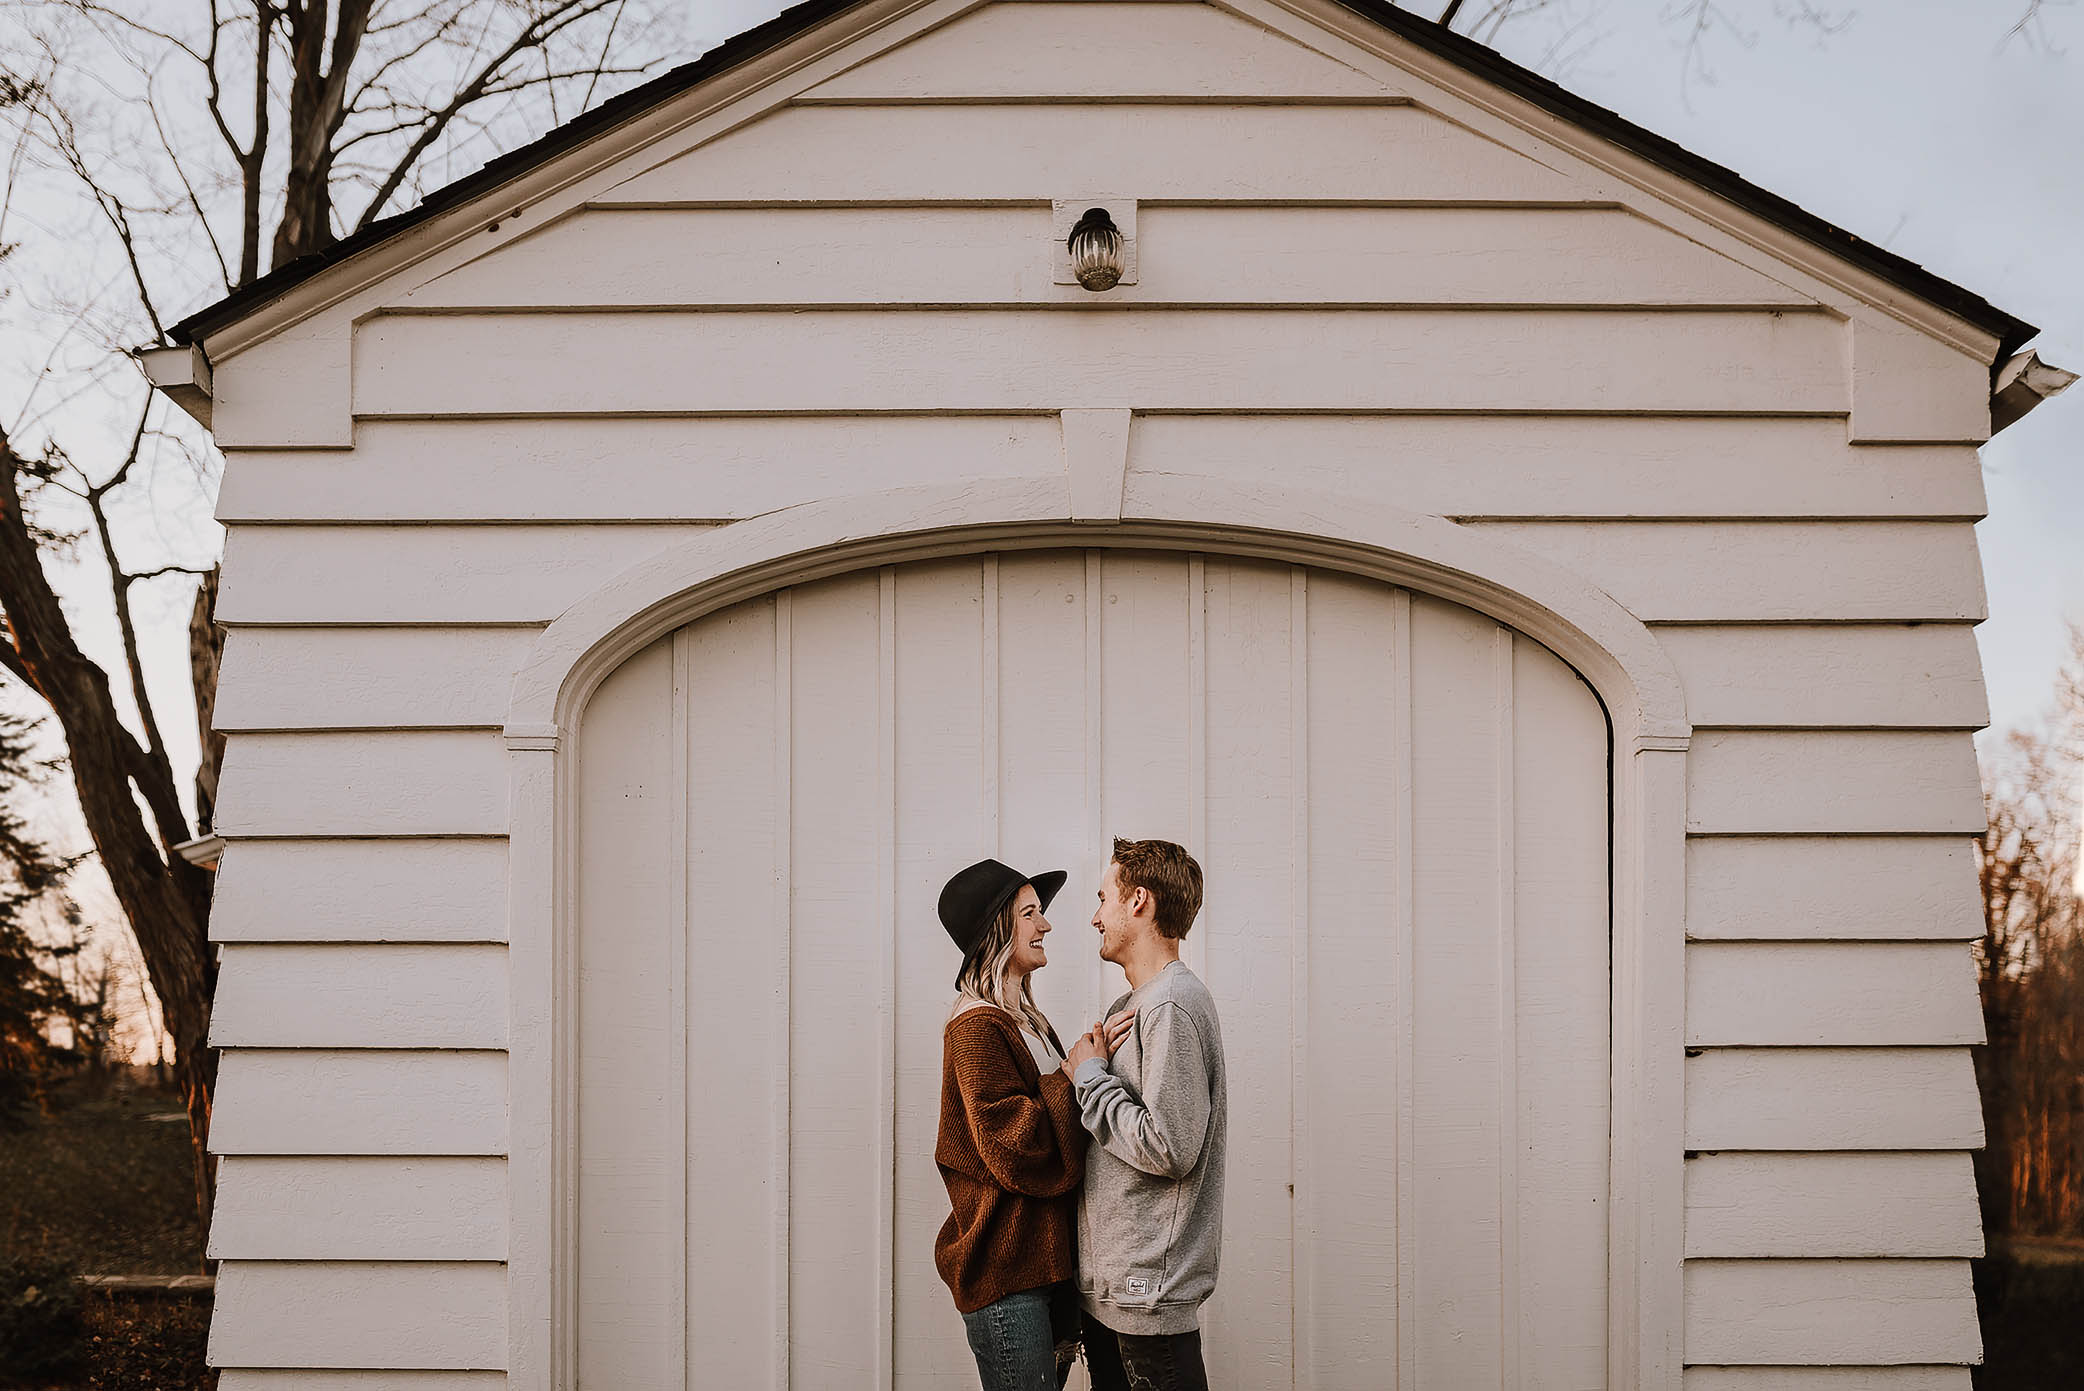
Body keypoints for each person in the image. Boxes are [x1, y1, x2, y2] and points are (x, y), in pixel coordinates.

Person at [932, 857, 1132, 1391]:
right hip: (1008, 1276)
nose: (1045, 926)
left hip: (1043, 1269)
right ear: (997, 929)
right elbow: (1015, 1145)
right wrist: (1072, 1075)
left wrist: (1089, 1064)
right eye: (1030, 914)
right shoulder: (975, 1027)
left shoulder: (1025, 1021)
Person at [1062, 837, 1227, 1391]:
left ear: (1139, 901)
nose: (1093, 917)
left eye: (1103, 898)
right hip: (1114, 1295)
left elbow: (1168, 1147)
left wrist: (1089, 1078)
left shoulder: (1172, 1006)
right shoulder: (1131, 1007)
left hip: (1146, 1298)